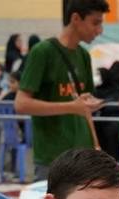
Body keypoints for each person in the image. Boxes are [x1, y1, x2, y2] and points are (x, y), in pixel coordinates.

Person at [15, 0, 107, 181]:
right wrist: (71, 107)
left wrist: (96, 145)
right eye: (95, 23)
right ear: (76, 18)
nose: (100, 30)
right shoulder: (42, 52)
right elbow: (21, 104)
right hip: (52, 157)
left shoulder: (83, 55)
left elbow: (84, 108)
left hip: (83, 155)